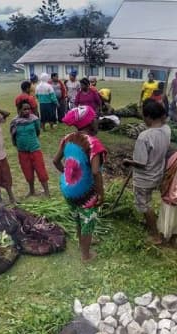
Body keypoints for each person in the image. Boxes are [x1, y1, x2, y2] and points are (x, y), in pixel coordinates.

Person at [53, 106, 106, 262]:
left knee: (78, 217)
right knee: (88, 221)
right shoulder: (93, 143)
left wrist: (67, 174)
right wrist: (101, 193)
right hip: (86, 193)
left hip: (68, 189)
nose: (97, 121)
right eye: (95, 118)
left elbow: (55, 161)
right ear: (89, 122)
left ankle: (82, 242)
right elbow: (96, 172)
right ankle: (86, 255)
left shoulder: (67, 138)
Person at [123, 99, 171, 245]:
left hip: (144, 178)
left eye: (144, 116)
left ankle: (155, 235)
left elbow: (141, 163)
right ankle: (151, 223)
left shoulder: (144, 136)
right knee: (147, 201)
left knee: (144, 206)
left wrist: (128, 161)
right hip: (157, 173)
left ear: (148, 117)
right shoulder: (166, 130)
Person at [10, 100, 50, 197]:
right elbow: (13, 135)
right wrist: (18, 145)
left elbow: (37, 131)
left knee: (41, 170)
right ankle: (32, 191)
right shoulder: (14, 122)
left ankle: (47, 192)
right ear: (19, 110)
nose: (27, 111)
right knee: (27, 171)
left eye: (29, 109)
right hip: (22, 151)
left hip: (34, 149)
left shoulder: (34, 119)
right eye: (24, 109)